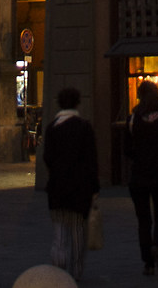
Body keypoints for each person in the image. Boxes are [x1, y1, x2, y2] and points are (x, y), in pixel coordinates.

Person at [40, 87, 99, 285]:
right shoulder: (84, 127)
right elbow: (92, 161)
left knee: (59, 233)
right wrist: (95, 189)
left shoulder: (51, 128)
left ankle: (59, 267)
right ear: (77, 103)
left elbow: (47, 158)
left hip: (57, 187)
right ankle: (76, 272)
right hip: (80, 188)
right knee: (77, 233)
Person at [122, 80, 158, 277]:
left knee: (143, 221)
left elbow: (127, 150)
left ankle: (148, 264)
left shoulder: (132, 120)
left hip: (138, 177)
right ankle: (157, 245)